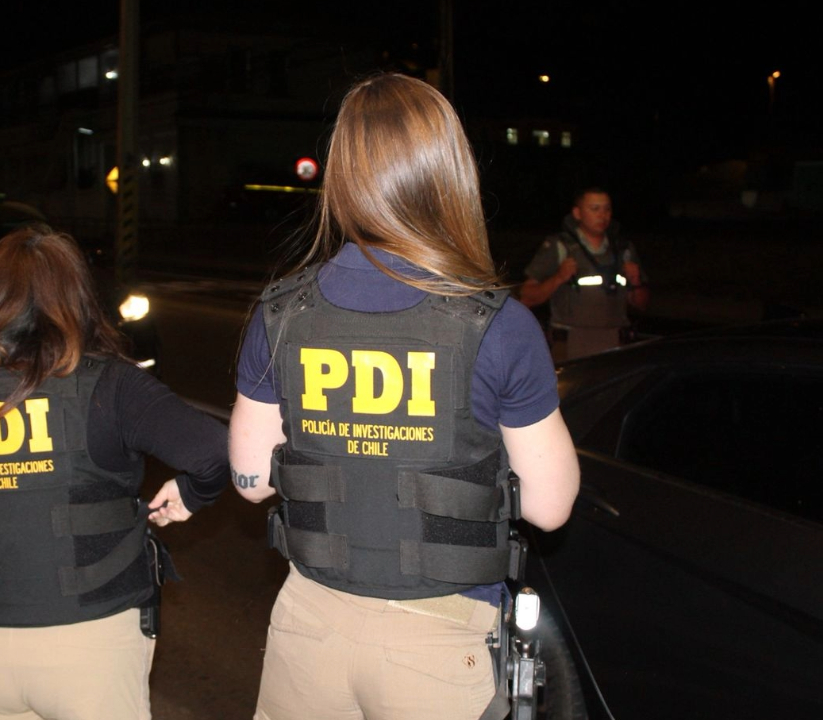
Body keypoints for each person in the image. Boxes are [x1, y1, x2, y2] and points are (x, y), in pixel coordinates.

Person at [229, 73, 581, 720]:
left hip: (310, 626)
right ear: (449, 174)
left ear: (343, 176)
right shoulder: (497, 324)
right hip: (440, 641)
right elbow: (550, 507)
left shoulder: (281, 313)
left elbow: (250, 482)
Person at [0, 225, 230, 720]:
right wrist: (190, 494)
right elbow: (216, 451)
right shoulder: (111, 386)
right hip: (90, 647)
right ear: (76, 302)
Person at [519, 188, 650, 361]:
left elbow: (642, 304)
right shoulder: (560, 246)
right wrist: (558, 277)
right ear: (577, 213)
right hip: (570, 346)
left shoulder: (623, 249)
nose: (602, 215)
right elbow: (526, 297)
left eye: (607, 209)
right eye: (595, 209)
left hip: (615, 345)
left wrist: (636, 281)